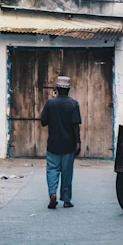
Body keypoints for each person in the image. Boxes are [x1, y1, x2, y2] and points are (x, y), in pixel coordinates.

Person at [39, 76, 82, 209]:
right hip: (68, 145)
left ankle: (52, 193)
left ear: (56, 89)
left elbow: (43, 121)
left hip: (53, 144)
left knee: (52, 170)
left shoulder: (50, 103)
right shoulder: (73, 104)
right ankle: (67, 200)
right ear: (68, 89)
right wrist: (78, 142)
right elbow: (75, 125)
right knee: (67, 172)